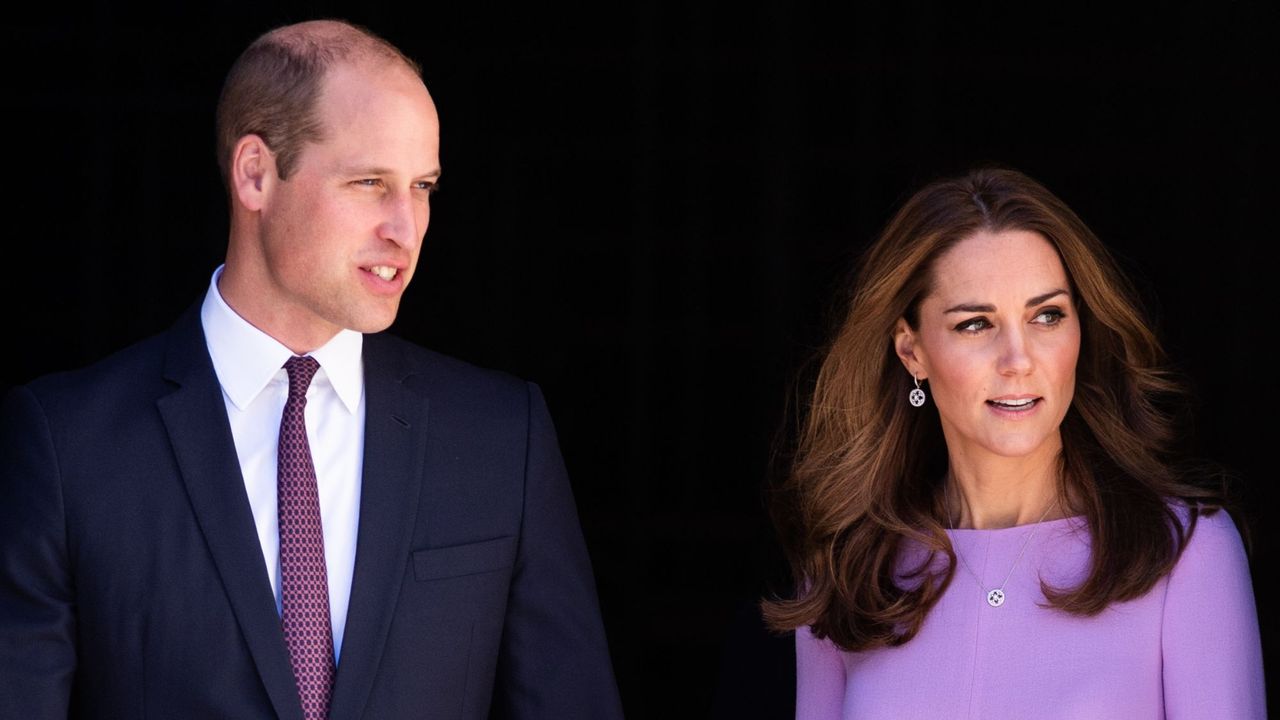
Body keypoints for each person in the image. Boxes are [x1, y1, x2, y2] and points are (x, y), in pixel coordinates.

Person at [0, 20, 623, 720]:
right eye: (369, 183)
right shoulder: (68, 447)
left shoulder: (503, 440)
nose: (407, 228)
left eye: (422, 186)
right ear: (255, 174)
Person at [763, 168, 1265, 718]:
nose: (1019, 361)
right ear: (912, 351)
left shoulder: (1182, 552)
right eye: (976, 324)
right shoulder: (849, 573)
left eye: (1047, 315)